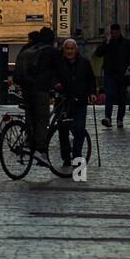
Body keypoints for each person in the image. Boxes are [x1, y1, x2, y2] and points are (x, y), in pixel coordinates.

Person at [13, 26, 59, 163]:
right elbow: (60, 71)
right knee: (42, 118)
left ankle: (28, 143)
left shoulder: (29, 48)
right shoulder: (50, 51)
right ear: (52, 39)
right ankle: (39, 150)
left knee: (31, 115)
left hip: (26, 88)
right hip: (40, 90)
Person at [53, 37, 96, 167]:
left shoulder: (84, 62)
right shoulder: (58, 63)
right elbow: (52, 78)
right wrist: (56, 85)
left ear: (76, 50)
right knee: (63, 130)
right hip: (63, 101)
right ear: (63, 49)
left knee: (80, 129)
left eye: (72, 48)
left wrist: (92, 93)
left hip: (80, 101)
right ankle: (66, 157)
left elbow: (91, 79)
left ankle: (77, 155)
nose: (70, 51)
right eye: (67, 48)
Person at [94, 23, 130, 128]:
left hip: (122, 74)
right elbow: (98, 53)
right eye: (112, 32)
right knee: (109, 95)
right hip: (109, 73)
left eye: (116, 32)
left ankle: (120, 119)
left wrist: (128, 69)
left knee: (122, 97)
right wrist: (106, 43)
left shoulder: (126, 43)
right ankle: (108, 118)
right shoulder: (107, 43)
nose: (114, 34)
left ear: (119, 31)